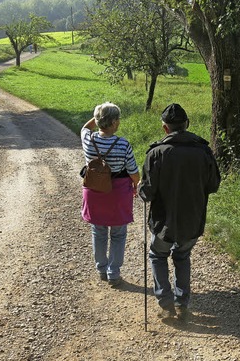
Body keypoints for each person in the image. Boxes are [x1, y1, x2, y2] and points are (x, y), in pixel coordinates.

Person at [138, 103, 221, 321]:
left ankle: (166, 304)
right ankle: (181, 303)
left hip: (163, 222)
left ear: (165, 128)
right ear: (187, 125)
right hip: (193, 220)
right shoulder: (204, 151)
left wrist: (140, 189)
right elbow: (213, 185)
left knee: (157, 255)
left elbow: (147, 193)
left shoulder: (156, 153)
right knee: (182, 255)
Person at [81, 102, 140, 287]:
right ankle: (113, 273)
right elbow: (132, 170)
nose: (119, 122)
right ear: (114, 122)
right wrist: (137, 184)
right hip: (118, 193)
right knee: (118, 234)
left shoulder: (88, 139)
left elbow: (85, 127)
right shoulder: (123, 144)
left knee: (98, 232)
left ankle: (101, 269)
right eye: (118, 119)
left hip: (95, 191)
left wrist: (98, 116)